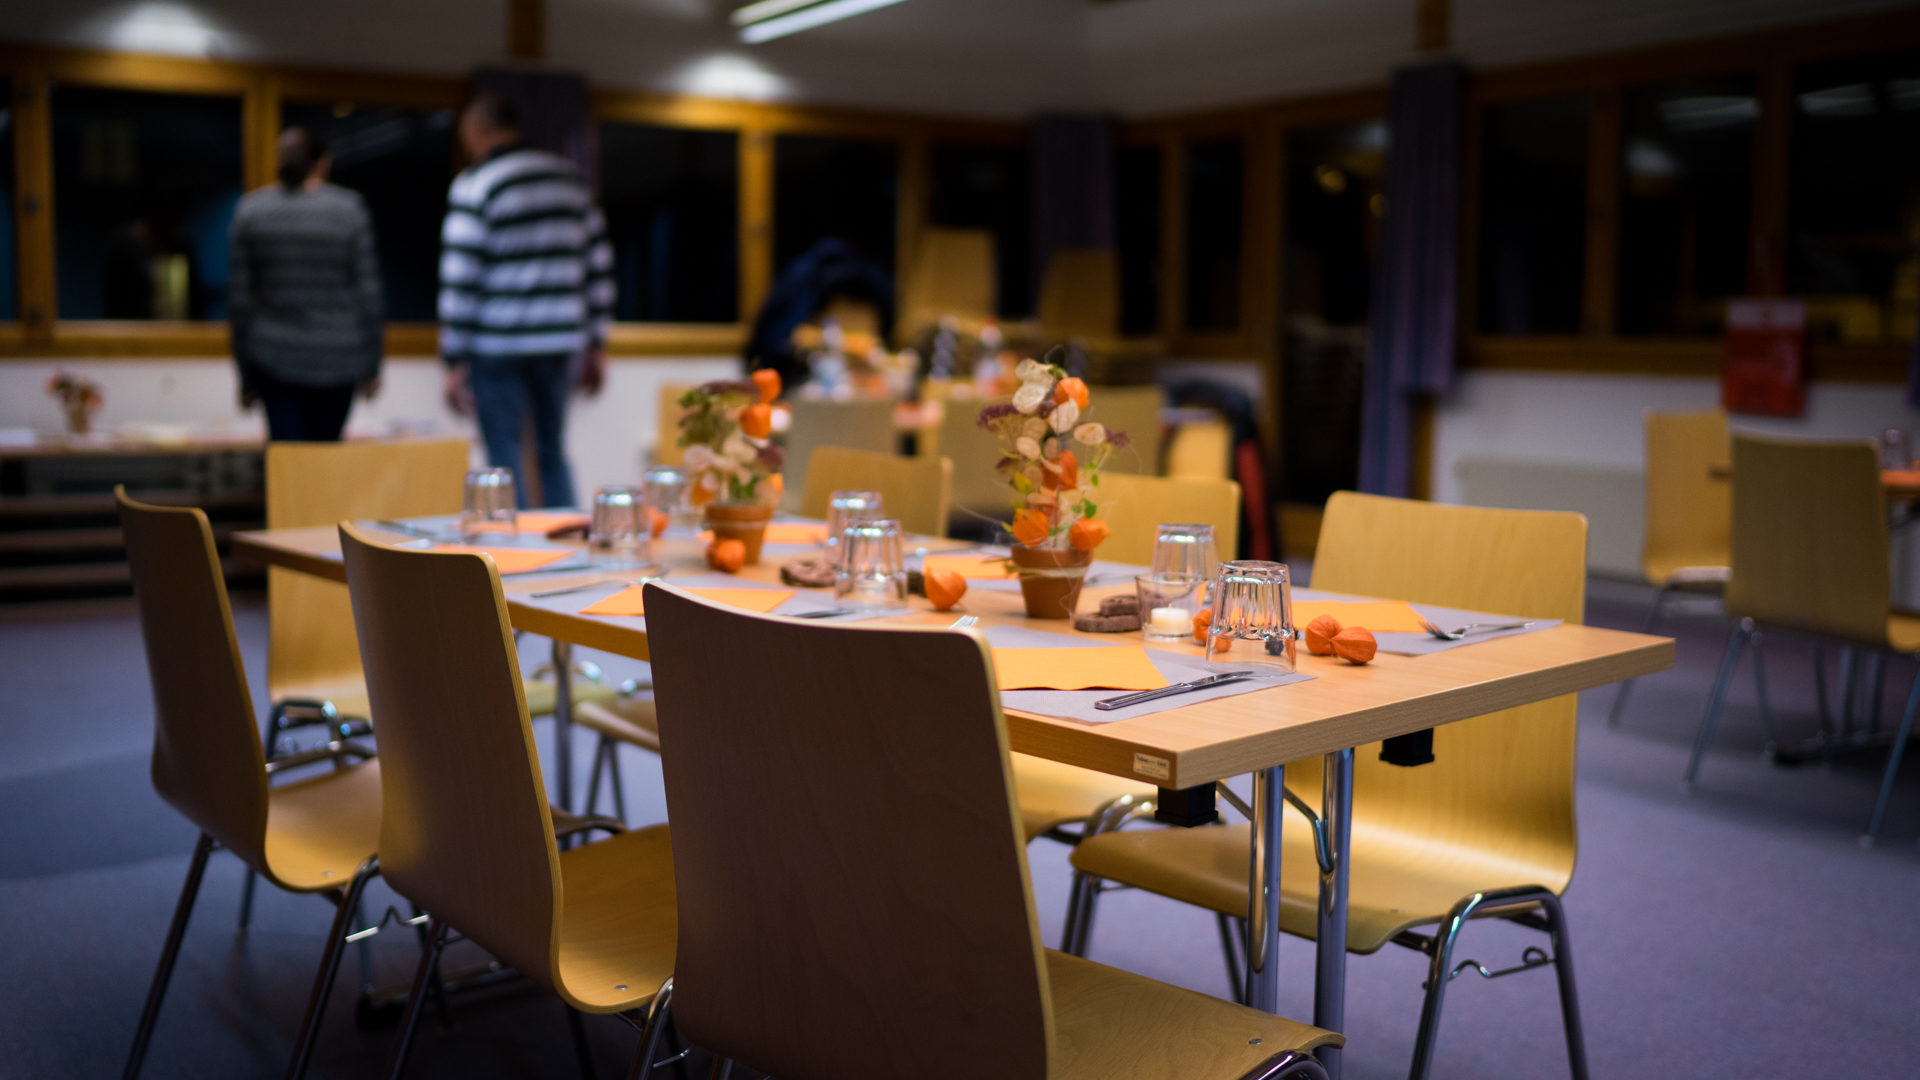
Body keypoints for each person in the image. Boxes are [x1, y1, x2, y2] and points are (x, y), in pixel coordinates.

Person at [439, 92, 612, 509]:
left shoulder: (476, 183)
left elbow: (461, 276)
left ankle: (514, 566)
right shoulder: (570, 180)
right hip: (558, 338)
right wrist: (598, 342)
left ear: (477, 131)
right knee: (552, 452)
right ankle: (569, 558)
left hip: (496, 344)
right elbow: (599, 265)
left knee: (505, 458)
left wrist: (452, 359)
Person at [229, 126, 383, 441]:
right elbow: (369, 294)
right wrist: (373, 366)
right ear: (322, 162)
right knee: (324, 465)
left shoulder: (251, 211)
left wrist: (245, 377)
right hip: (340, 356)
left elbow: (240, 303)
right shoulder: (349, 211)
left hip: (274, 357)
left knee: (287, 464)